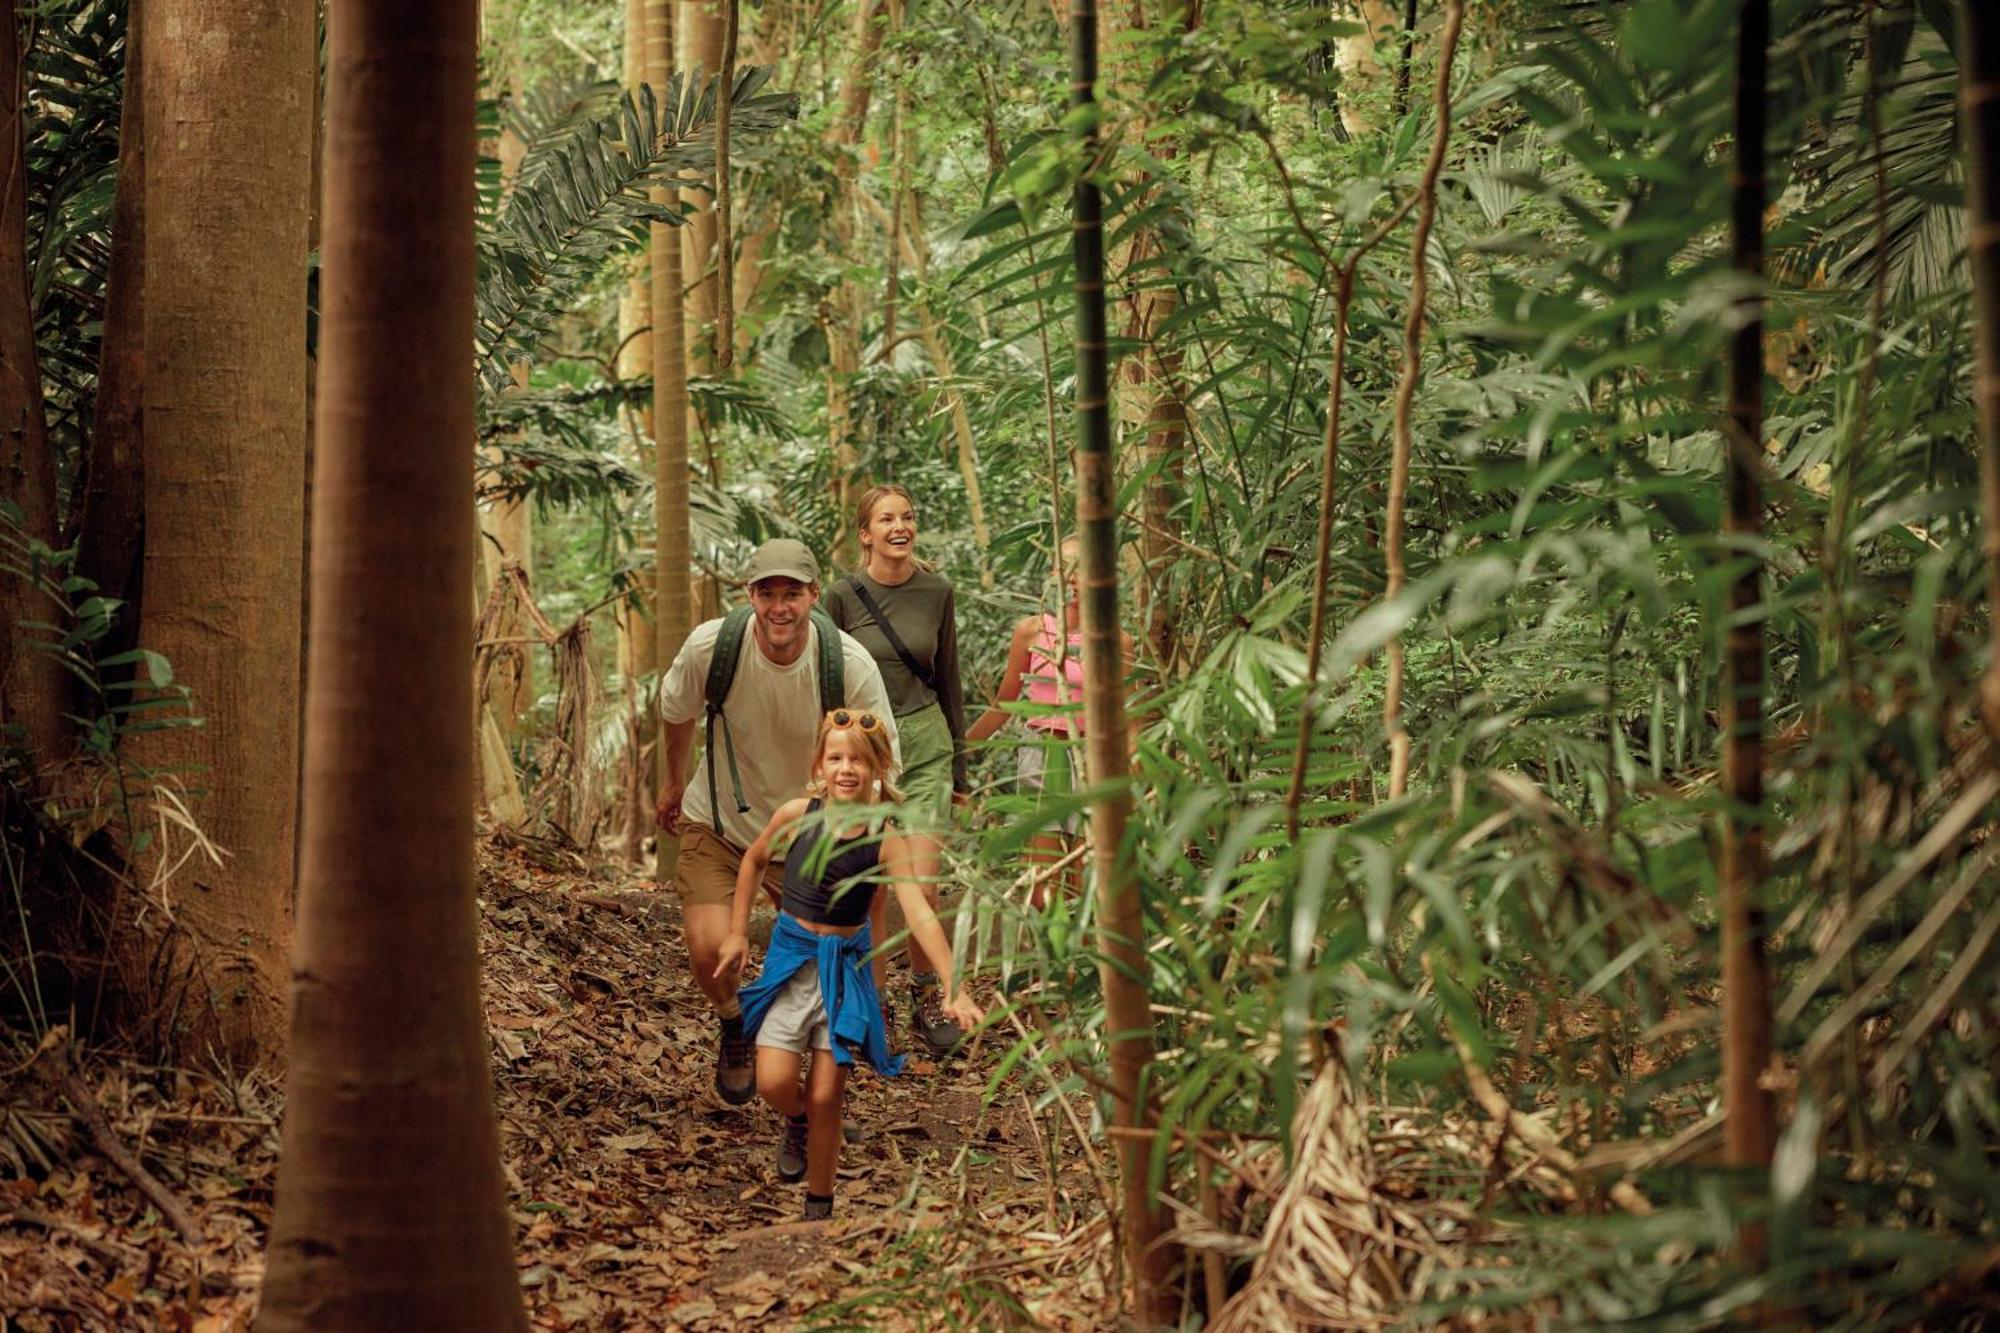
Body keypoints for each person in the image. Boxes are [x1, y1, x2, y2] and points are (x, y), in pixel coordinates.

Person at [656, 538, 899, 1105]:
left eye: (793, 594)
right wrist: (671, 782)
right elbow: (675, 710)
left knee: (822, 977)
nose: (780, 608)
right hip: (719, 822)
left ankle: (816, 1101)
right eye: (768, 594)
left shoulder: (848, 664)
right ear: (751, 596)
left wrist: (863, 843)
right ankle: (735, 1022)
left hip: (812, 834)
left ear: (814, 596)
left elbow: (883, 762)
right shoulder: (714, 647)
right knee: (709, 949)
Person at [714, 709, 982, 1220]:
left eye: (859, 759)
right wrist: (735, 931)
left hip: (846, 971)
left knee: (827, 1094)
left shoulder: (885, 836)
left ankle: (819, 1206)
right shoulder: (797, 815)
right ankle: (796, 1121)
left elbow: (919, 911)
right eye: (835, 756)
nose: (846, 768)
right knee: (773, 1083)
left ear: (879, 768)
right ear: (819, 763)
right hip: (793, 960)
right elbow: (752, 860)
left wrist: (953, 985)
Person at [822, 484, 971, 1055]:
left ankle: (926, 995)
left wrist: (960, 770)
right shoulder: (841, 596)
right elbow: (827, 681)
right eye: (886, 519)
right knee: (875, 889)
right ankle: (874, 1005)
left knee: (923, 883)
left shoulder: (937, 591)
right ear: (866, 533)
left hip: (927, 741)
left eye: (907, 516)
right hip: (868, 749)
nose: (899, 526)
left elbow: (950, 677)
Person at [966, 535, 1134, 906]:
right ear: (1054, 573)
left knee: (1085, 874)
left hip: (1091, 758)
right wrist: (960, 749)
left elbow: (1126, 715)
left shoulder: (1115, 639)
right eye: (1066, 568)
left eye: (1083, 569)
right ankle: (1045, 961)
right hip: (1040, 754)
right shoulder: (1031, 631)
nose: (1073, 578)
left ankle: (1084, 961)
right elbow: (1005, 703)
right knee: (1043, 878)